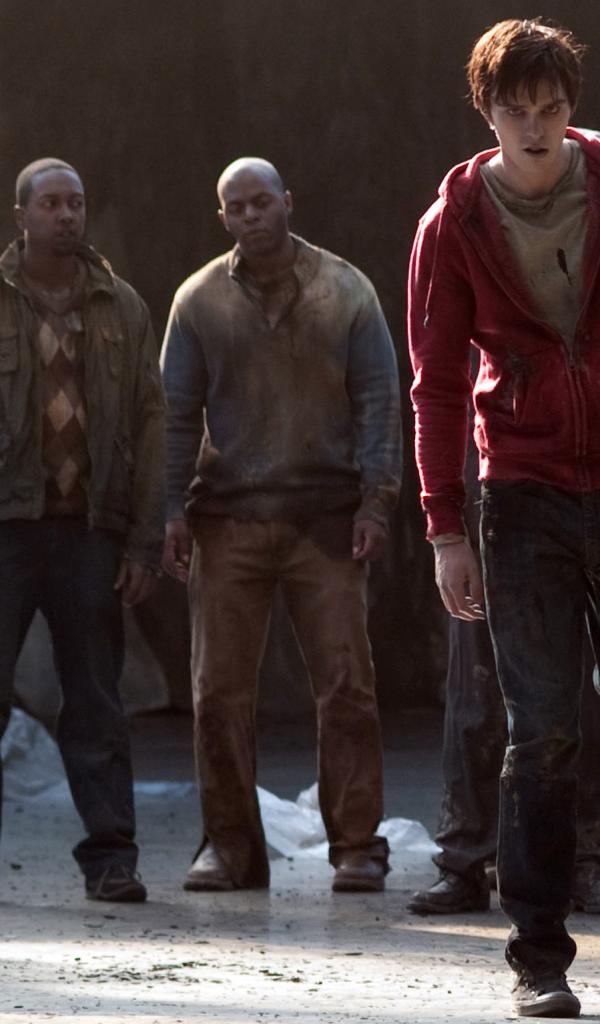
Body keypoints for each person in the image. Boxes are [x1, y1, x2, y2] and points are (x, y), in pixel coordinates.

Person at [408, 18, 600, 1018]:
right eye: (515, 110)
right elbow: (436, 385)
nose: (535, 128)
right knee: (544, 730)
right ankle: (539, 961)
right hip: (522, 491)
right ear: (485, 111)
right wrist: (445, 528)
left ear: (572, 106)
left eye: (551, 108)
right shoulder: (454, 225)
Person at [161, 156, 401, 894]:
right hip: (227, 517)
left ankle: (357, 845)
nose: (251, 216)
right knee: (218, 691)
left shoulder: (344, 290)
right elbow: (173, 418)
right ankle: (230, 847)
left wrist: (376, 502)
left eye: (262, 202)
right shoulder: (199, 300)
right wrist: (169, 510)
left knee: (346, 683)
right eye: (237, 207)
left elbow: (380, 401)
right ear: (222, 217)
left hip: (324, 519)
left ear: (288, 202)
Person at [0, 158, 165, 902]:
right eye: (52, 204)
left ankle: (111, 859)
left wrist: (143, 540)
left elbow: (150, 421)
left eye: (76, 203)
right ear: (22, 216)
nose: (67, 215)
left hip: (88, 532)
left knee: (96, 700)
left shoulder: (121, 306)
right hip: (6, 530)